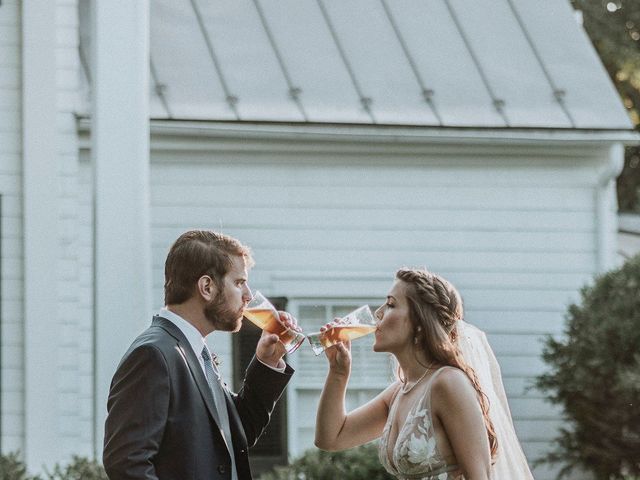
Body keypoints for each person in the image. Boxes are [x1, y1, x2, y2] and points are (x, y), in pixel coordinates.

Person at [103, 230, 295, 480]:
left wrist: (267, 362)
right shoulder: (153, 355)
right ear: (207, 287)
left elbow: (236, 434)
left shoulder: (195, 352)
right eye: (239, 283)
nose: (248, 295)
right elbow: (126, 463)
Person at [315, 267, 534, 480]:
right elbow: (330, 438)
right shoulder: (398, 393)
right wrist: (338, 372)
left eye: (391, 304)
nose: (378, 313)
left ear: (419, 324)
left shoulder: (447, 383)